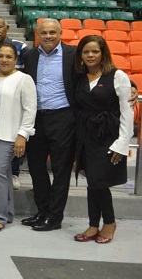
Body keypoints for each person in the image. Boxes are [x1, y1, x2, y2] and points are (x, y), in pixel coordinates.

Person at [73, 35, 132, 244]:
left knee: (99, 181)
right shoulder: (79, 77)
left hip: (107, 135)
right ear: (80, 55)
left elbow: (127, 112)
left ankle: (109, 223)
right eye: (86, 51)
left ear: (103, 53)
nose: (90, 55)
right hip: (85, 135)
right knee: (92, 181)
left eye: (95, 51)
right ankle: (92, 224)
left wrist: (122, 142)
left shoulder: (118, 76)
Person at [21, 18, 78, 232]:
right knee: (36, 168)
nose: (48, 36)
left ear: (60, 33)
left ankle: (54, 217)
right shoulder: (30, 55)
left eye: (52, 32)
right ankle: (42, 211)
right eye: (44, 32)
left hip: (63, 118)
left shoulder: (73, 55)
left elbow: (97, 71)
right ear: (38, 34)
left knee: (61, 169)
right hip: (36, 118)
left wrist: (130, 84)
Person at [0, 43, 37, 233]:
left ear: (15, 60)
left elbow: (30, 109)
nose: (4, 60)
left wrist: (22, 135)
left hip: (10, 135)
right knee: (3, 173)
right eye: (1, 56)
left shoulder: (24, 79)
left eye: (8, 57)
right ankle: (7, 213)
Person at [0, 17, 29, 190]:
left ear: (7, 28)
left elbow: (28, 70)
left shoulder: (21, 46)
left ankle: (14, 173)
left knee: (12, 138)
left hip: (13, 99)